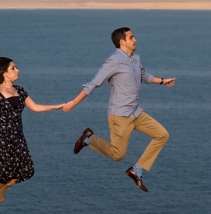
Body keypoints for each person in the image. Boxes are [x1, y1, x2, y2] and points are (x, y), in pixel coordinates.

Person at [63, 27, 175, 192]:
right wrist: (73, 102)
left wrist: (163, 81)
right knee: (118, 155)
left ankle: (137, 170)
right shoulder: (113, 61)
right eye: (131, 37)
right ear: (122, 41)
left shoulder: (135, 58)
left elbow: (144, 77)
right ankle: (88, 139)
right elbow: (93, 83)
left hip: (136, 113)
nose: (135, 40)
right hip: (120, 115)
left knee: (162, 135)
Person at [0, 57, 65, 203]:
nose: (17, 70)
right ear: (4, 73)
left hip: (18, 137)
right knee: (0, 171)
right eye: (13, 68)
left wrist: (56, 107)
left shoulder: (20, 91)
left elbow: (35, 107)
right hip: (2, 136)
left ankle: (3, 187)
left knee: (27, 170)